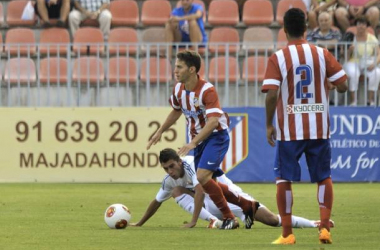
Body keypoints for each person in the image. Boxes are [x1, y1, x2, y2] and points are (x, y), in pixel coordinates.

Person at [262, 8, 348, 245]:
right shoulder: (321, 53)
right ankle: (324, 229)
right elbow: (343, 85)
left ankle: (288, 234)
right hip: (319, 126)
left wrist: (269, 124)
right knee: (323, 177)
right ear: (307, 29)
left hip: (290, 129)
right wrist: (329, 84)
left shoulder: (278, 57)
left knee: (283, 179)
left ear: (285, 30)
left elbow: (271, 95)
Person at [147, 50, 259, 230]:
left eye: (179, 67)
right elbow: (176, 111)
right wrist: (160, 130)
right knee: (207, 183)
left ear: (192, 69)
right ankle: (247, 205)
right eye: (175, 66)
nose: (175, 71)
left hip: (216, 137)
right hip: (199, 141)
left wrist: (192, 143)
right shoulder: (178, 89)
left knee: (201, 177)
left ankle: (230, 217)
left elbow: (214, 122)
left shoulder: (208, 90)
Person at [131, 148, 335, 230]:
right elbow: (157, 202)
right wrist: (139, 223)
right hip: (209, 206)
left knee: (272, 220)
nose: (170, 171)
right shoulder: (170, 180)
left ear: (179, 160)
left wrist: (193, 221)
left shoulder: (192, 163)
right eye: (166, 168)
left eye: (172, 166)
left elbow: (201, 189)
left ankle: (313, 223)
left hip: (229, 196)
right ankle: (214, 221)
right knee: (175, 191)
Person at [343, 16, 380, 106]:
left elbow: (379, 54)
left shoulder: (372, 38)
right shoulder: (351, 37)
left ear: (367, 26)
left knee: (377, 73)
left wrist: (375, 63)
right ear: (356, 26)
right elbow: (346, 58)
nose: (361, 26)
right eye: (359, 24)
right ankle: (353, 102)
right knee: (353, 73)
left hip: (368, 62)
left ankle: (370, 101)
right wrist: (349, 50)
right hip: (353, 61)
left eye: (363, 24)